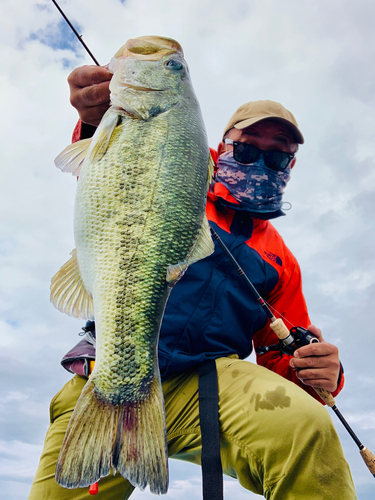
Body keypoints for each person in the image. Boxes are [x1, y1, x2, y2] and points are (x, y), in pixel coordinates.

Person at [28, 64, 357, 500]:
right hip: (105, 374)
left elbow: (281, 363)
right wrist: (95, 117)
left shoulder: (281, 261)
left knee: (306, 428)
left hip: (209, 388)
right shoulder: (179, 175)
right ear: (220, 151)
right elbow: (119, 163)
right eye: (246, 150)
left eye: (277, 156)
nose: (262, 162)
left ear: (290, 165)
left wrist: (322, 375)